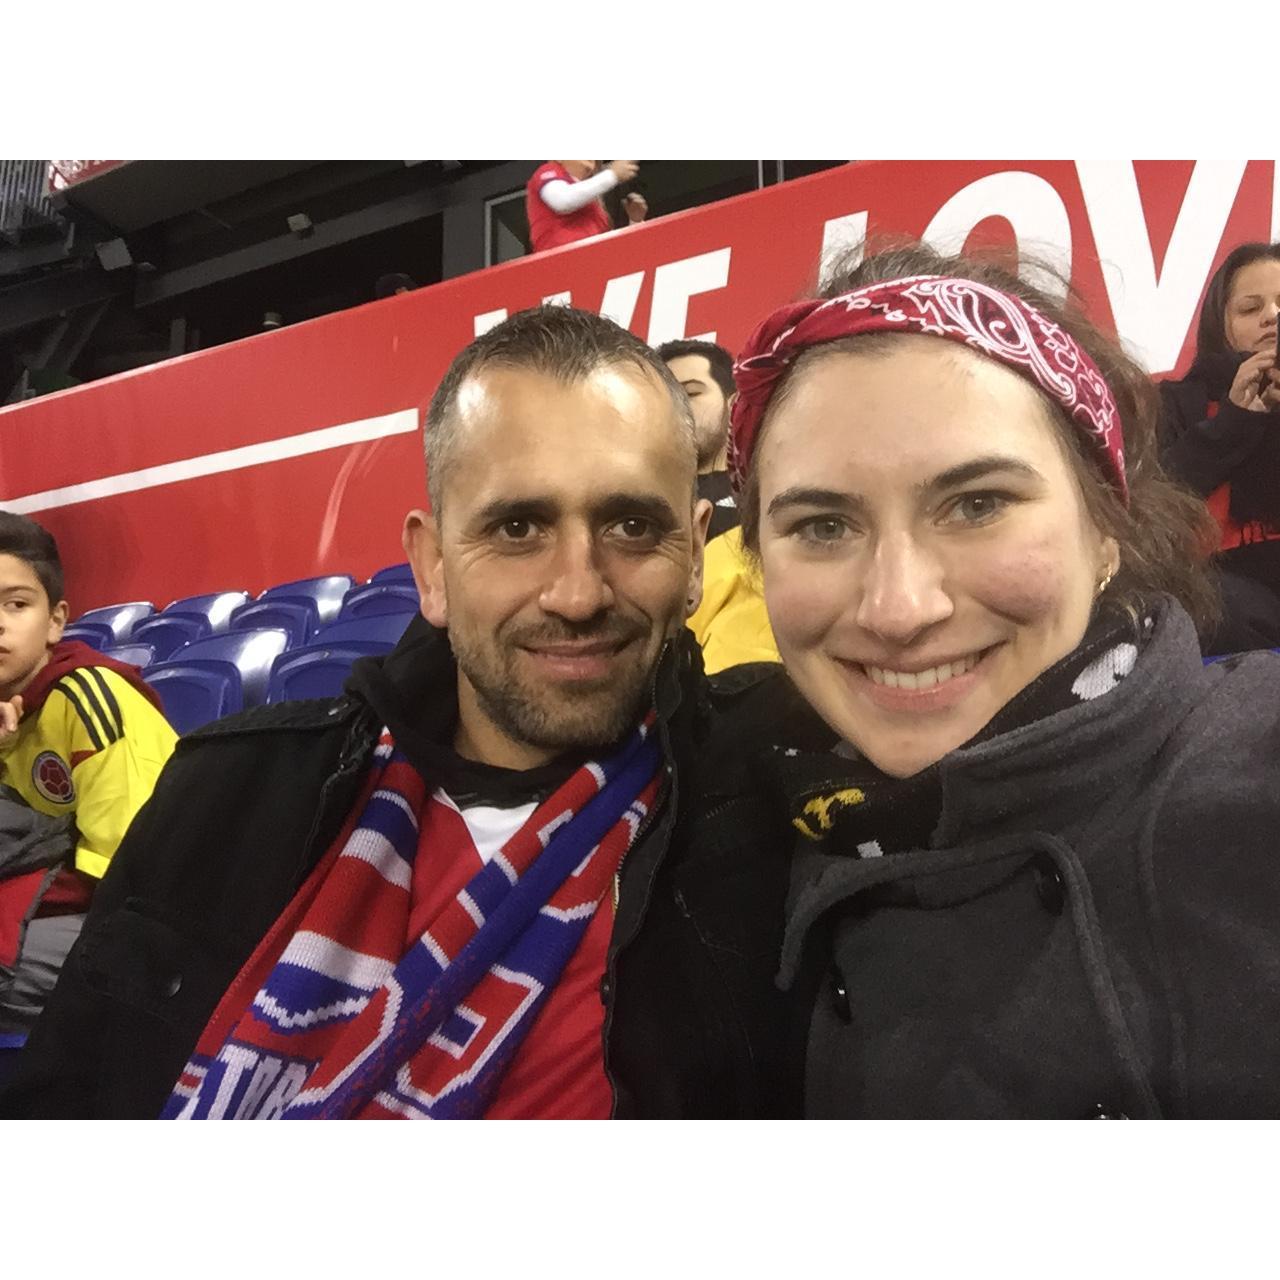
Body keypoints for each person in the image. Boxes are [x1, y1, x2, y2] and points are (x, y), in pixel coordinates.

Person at [0, 305, 792, 1119]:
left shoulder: (784, 813)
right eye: (517, 527)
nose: (578, 592)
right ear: (432, 565)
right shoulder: (223, 794)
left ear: (696, 552)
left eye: (632, 525)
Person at [720, 241, 1280, 1118]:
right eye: (824, 525)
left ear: (1106, 531)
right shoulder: (734, 837)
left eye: (977, 505)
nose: (899, 609)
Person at [0, 512, 176, 1034]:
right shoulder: (10, 710)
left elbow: (135, 870)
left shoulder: (89, 699)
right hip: (65, 911)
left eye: (16, 604)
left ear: (56, 620)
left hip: (146, 924)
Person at [1158, 242, 1280, 652]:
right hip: (1220, 599)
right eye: (1250, 309)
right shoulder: (1175, 402)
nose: (1272, 317)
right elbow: (1149, 506)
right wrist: (1233, 420)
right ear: (1221, 324)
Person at [658, 339, 780, 673]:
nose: (676, 409)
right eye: (664, 399)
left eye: (691, 393)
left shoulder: (776, 488)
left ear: (734, 403)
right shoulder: (633, 503)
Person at [525, 160, 646, 254]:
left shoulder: (596, 209)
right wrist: (612, 175)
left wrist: (635, 221)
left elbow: (613, 251)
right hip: (558, 270)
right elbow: (563, 201)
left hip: (594, 271)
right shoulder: (547, 171)